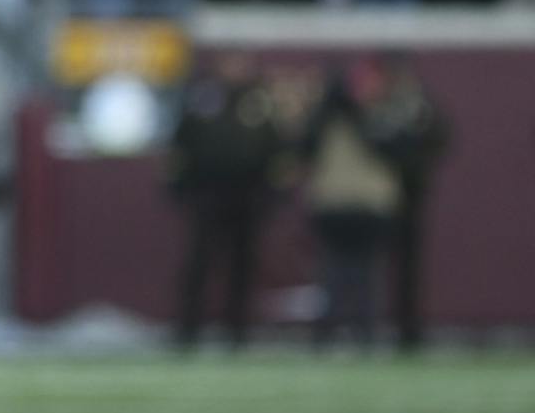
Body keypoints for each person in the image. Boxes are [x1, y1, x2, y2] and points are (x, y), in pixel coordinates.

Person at [165, 52, 282, 349]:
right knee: (199, 264)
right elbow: (181, 144)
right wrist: (180, 186)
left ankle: (237, 331)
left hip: (246, 193)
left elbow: (275, 149)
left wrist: (270, 192)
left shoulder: (259, 102)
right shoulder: (203, 99)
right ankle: (188, 331)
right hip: (208, 192)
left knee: (241, 266)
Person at [303, 62, 400, 348]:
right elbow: (305, 146)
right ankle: (325, 335)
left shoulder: (383, 116)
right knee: (332, 275)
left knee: (366, 275)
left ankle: (366, 334)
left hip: (370, 204)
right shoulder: (329, 120)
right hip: (334, 202)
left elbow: (395, 148)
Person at [368, 54, 448, 351]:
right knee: (370, 266)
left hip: (411, 195)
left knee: (409, 268)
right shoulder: (380, 107)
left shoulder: (420, 108)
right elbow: (372, 141)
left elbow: (441, 136)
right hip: (377, 196)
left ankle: (408, 328)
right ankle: (372, 326)